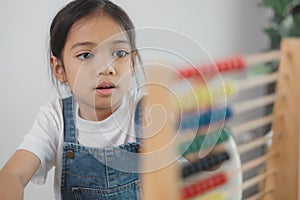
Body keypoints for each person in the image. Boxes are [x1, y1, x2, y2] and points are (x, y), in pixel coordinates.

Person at [0, 0, 145, 199]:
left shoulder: (148, 109)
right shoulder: (55, 119)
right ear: (59, 68)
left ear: (133, 61)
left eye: (119, 53)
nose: (107, 68)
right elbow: (12, 175)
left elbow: (194, 156)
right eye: (86, 55)